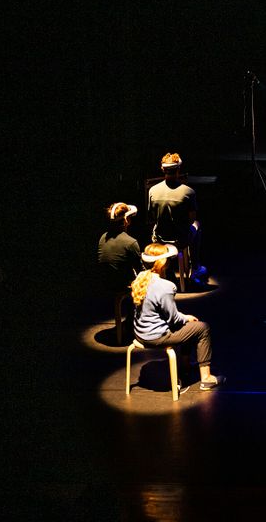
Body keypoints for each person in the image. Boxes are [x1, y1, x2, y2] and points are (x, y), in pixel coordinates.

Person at [131, 243, 224, 390]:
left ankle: (185, 366)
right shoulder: (165, 286)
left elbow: (158, 311)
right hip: (156, 336)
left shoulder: (140, 279)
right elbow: (173, 320)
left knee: (189, 325)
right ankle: (206, 378)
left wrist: (184, 317)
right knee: (202, 328)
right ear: (163, 263)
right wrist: (185, 318)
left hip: (140, 333)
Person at [148, 152, 207, 284]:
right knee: (197, 225)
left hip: (160, 239)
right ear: (178, 169)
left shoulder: (152, 190)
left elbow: (152, 217)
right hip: (181, 240)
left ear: (163, 169)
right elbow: (191, 219)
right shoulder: (189, 192)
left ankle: (168, 270)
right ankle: (195, 267)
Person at [97, 202, 142, 295]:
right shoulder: (130, 242)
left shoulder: (103, 237)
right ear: (126, 220)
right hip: (123, 289)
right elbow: (140, 272)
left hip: (104, 286)